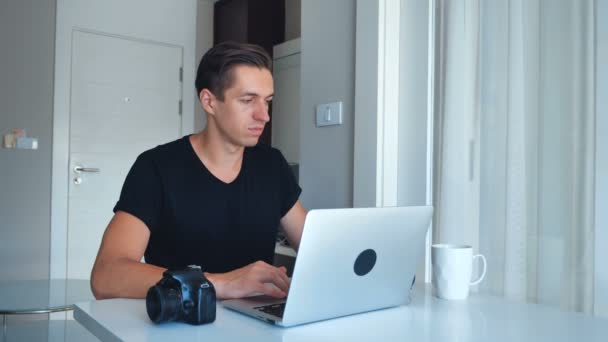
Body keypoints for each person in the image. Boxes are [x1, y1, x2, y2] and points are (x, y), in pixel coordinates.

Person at [90, 42, 307, 300]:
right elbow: (106, 277)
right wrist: (221, 284)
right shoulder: (156, 167)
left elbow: (316, 251)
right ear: (209, 101)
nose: (264, 115)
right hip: (182, 325)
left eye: (267, 101)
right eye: (248, 100)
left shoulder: (272, 165)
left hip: (257, 322)